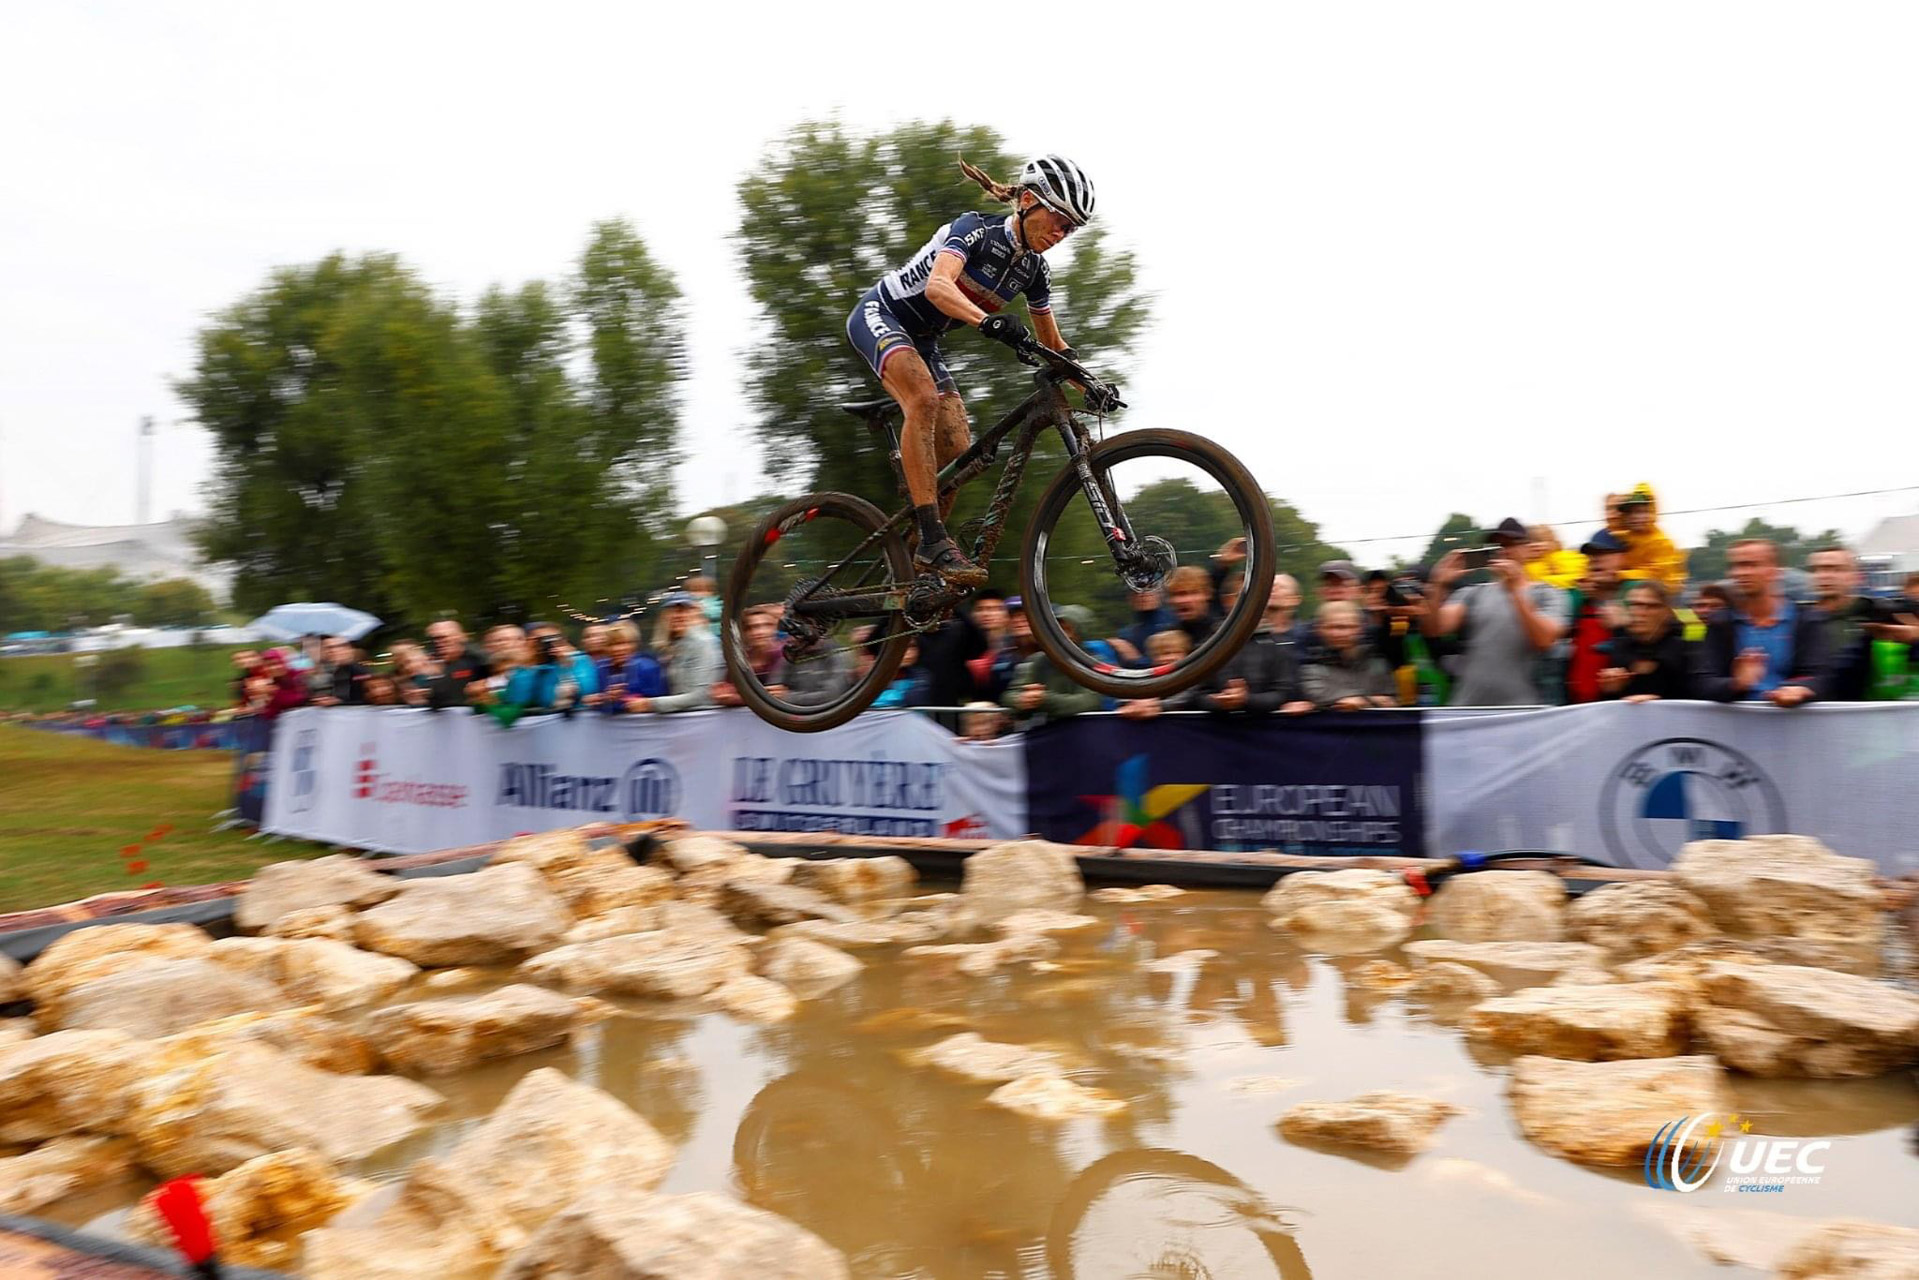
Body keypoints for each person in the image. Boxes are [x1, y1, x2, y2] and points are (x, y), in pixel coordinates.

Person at [845, 154, 1096, 587]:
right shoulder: (975, 229)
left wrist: (1089, 384)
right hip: (882, 314)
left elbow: (1055, 347)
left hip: (924, 340)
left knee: (962, 454)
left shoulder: (1034, 271)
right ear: (1028, 201)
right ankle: (932, 540)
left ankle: (911, 566)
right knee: (923, 399)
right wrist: (987, 322)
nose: (1061, 233)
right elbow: (938, 286)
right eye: (1059, 220)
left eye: (1070, 228)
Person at [1419, 517, 1569, 706]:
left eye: (1510, 544)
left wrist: (1515, 590)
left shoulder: (1548, 593)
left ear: (1528, 549)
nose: (1503, 550)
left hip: (1524, 708)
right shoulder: (1473, 593)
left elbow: (1544, 640)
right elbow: (1434, 629)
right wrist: (1437, 584)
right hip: (1469, 706)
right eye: (1497, 545)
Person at [1693, 539, 1827, 705]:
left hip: (1792, 718)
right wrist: (1737, 683)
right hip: (1737, 719)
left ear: (1775, 571)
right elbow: (1702, 683)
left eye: (1751, 565)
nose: (1740, 573)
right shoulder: (1721, 623)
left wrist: (1800, 689)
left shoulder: (1806, 620)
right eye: (1735, 566)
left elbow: (1821, 676)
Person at [1001, 605, 1103, 726]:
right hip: (1045, 730)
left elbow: (1088, 702)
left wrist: (1044, 699)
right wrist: (1022, 700)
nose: (1060, 634)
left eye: (1067, 629)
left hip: (1086, 728)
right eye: (1057, 628)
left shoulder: (1094, 663)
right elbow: (1009, 696)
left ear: (1080, 633)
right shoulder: (1038, 660)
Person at [1560, 531, 1630, 704]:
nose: (1595, 559)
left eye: (1603, 553)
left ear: (1622, 558)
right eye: (1591, 555)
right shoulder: (1577, 597)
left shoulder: (1638, 591)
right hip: (1577, 704)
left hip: (1621, 703)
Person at [1599, 580, 1694, 701]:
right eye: (1634, 605)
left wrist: (1656, 700)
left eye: (1650, 606)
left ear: (1666, 611)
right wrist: (1611, 689)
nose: (1639, 613)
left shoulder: (1684, 648)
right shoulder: (1621, 647)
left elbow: (1694, 694)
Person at [1804, 546, 1877, 701]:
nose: (1824, 575)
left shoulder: (1877, 615)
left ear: (1857, 577)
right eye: (1816, 570)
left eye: (1835, 569)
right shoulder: (1799, 621)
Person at [628, 592, 719, 714]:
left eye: (683, 610)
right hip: (682, 717)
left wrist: (650, 704)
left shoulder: (704, 643)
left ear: (695, 613)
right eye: (672, 611)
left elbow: (702, 695)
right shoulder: (673, 646)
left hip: (703, 717)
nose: (677, 616)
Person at [1301, 601, 1396, 710]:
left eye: (1346, 627)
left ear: (1360, 629)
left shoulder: (1377, 665)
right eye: (1331, 627)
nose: (1338, 634)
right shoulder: (1310, 666)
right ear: (1319, 629)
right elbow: (1319, 696)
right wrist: (1371, 700)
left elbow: (1391, 701)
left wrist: (1360, 701)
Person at [1607, 484, 1686, 593]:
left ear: (1652, 512)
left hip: (1662, 593)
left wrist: (1622, 575)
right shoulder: (1622, 537)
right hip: (1634, 591)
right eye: (1630, 512)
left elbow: (1656, 575)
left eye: (1641, 512)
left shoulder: (1662, 542)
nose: (1635, 517)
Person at [590, 620, 666, 712]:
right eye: (612, 644)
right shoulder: (601, 668)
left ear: (634, 645)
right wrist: (601, 700)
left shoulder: (648, 667)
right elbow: (601, 707)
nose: (618, 649)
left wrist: (633, 701)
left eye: (624, 643)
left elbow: (658, 702)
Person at [425, 619, 490, 710]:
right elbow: (434, 699)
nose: (438, 642)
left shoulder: (480, 659)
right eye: (434, 639)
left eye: (443, 637)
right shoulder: (432, 663)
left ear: (461, 637)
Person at [1526, 525, 1587, 590]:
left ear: (1553, 542)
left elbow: (1577, 578)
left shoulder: (1564, 557)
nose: (1534, 545)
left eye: (1539, 541)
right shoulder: (1524, 565)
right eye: (1528, 542)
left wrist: (1541, 582)